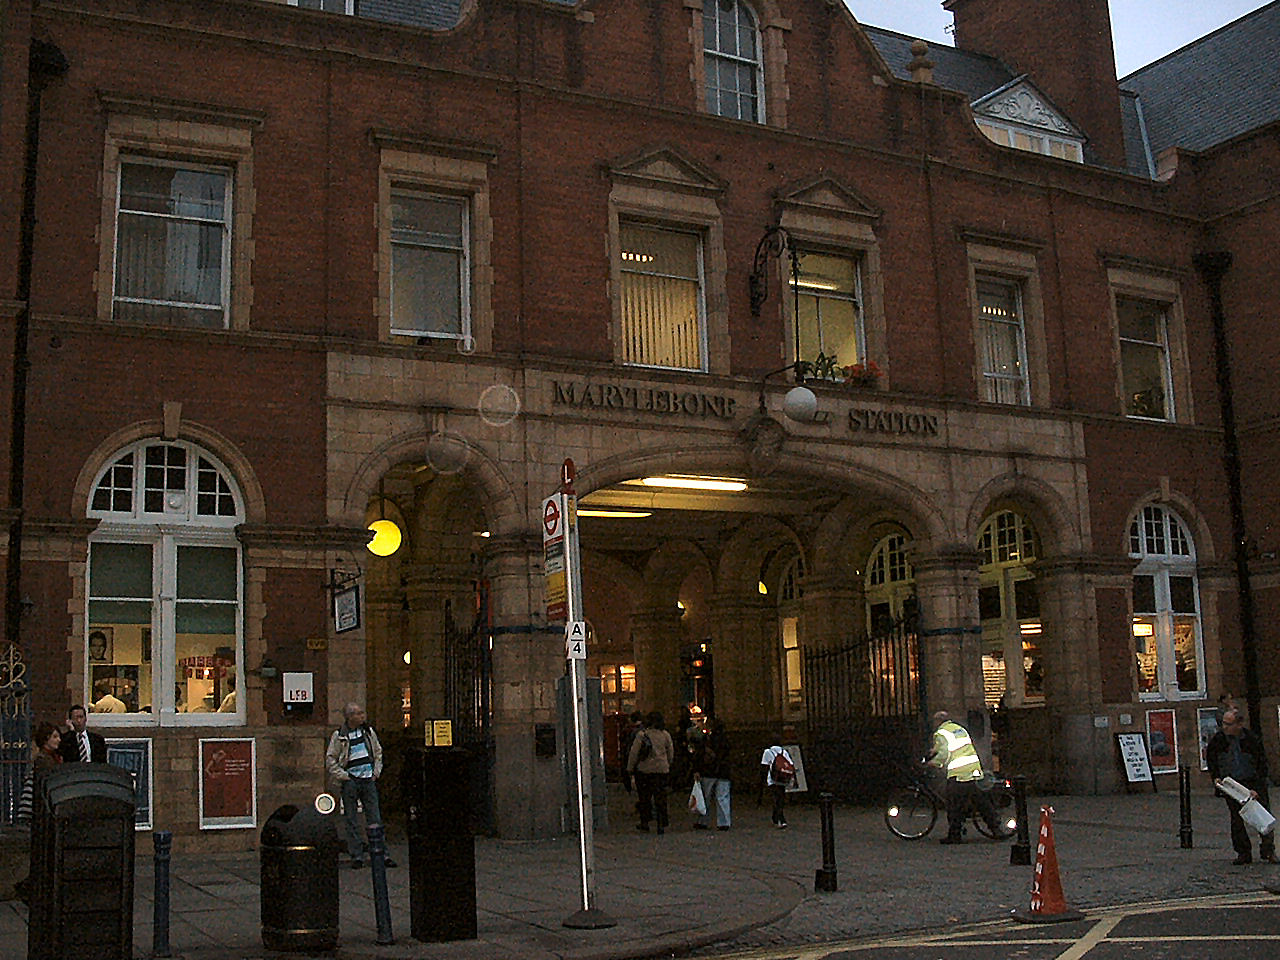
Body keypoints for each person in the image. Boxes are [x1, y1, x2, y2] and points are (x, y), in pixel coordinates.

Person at [325, 703, 397, 868]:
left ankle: (381, 853)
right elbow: (331, 759)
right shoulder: (340, 735)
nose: (362, 716)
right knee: (351, 819)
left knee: (375, 818)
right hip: (351, 781)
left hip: (367, 779)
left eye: (362, 713)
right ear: (349, 717)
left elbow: (377, 752)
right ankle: (356, 855)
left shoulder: (368, 732)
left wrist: (376, 772)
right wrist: (344, 776)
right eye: (358, 714)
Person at [1206, 705, 1277, 865]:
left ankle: (1268, 850)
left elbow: (1261, 765)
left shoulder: (1251, 739)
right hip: (1232, 785)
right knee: (1236, 820)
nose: (1224, 727)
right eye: (1223, 723)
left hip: (1252, 781)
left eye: (1228, 724)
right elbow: (1212, 759)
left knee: (1262, 816)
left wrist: (1257, 788)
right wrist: (1216, 777)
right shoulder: (1219, 740)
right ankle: (1243, 852)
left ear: (1239, 724)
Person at [928, 710, 1011, 844]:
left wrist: (934, 763)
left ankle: (955, 834)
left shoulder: (941, 733)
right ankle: (996, 830)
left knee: (954, 804)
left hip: (959, 773)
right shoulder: (959, 729)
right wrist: (935, 751)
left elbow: (943, 753)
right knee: (982, 802)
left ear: (937, 722)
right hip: (974, 769)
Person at [626, 711, 674, 834]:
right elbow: (671, 753)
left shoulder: (642, 735)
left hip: (644, 770)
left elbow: (634, 753)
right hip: (662, 770)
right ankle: (661, 823)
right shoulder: (665, 735)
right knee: (661, 798)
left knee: (645, 798)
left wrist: (630, 768)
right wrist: (667, 764)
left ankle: (645, 822)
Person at [692, 716, 732, 830]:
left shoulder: (707, 739)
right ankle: (724, 822)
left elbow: (699, 755)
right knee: (722, 797)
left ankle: (703, 821)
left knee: (705, 797)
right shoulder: (726, 740)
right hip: (723, 771)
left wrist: (697, 770)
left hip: (708, 771)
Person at [760, 740, 795, 828]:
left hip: (772, 779)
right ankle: (776, 817)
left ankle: (780, 819)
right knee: (780, 798)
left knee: (776, 798)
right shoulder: (784, 751)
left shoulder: (768, 752)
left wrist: (763, 781)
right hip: (782, 779)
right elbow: (790, 764)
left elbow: (764, 766)